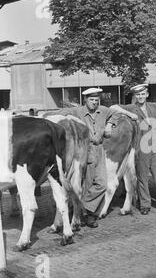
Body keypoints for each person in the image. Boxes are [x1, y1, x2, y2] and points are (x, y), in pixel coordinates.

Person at [46, 87, 137, 227]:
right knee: (86, 182)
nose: (95, 102)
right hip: (85, 149)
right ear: (85, 100)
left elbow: (116, 113)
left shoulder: (104, 110)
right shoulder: (78, 111)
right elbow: (63, 113)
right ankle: (87, 216)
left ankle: (86, 208)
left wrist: (109, 124)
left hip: (100, 149)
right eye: (92, 100)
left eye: (96, 100)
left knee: (101, 183)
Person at [111, 84, 156, 215]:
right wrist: (128, 113)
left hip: (155, 146)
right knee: (142, 177)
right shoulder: (132, 107)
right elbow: (113, 107)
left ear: (147, 94)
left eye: (143, 94)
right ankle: (145, 205)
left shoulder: (153, 106)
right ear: (135, 96)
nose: (141, 97)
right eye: (138, 95)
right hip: (140, 147)